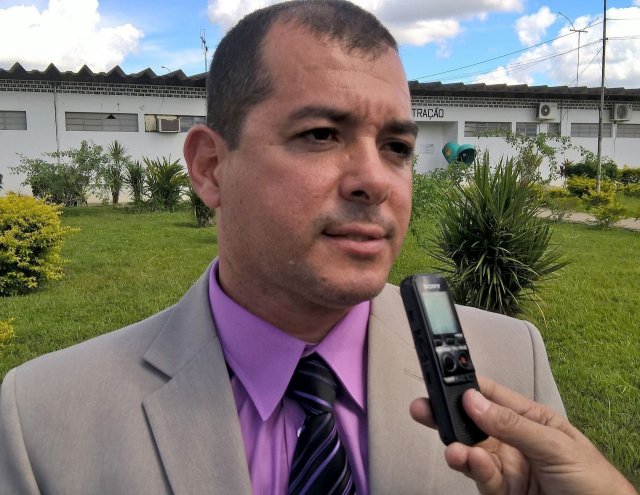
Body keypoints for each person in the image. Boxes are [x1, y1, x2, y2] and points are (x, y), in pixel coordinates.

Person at [0, 1, 635, 494]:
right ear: (211, 168)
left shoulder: (511, 363)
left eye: (397, 147)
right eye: (322, 134)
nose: (376, 181)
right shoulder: (44, 419)